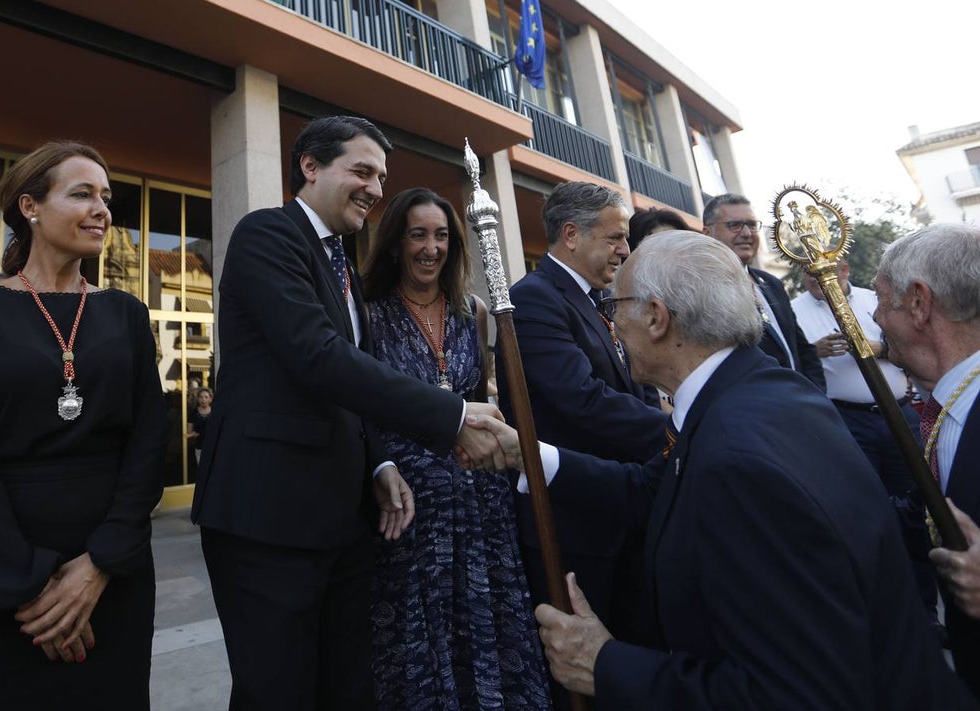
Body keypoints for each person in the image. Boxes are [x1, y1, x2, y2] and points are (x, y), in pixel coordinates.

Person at [470, 231, 972, 708]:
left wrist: (605, 664)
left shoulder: (737, 460)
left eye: (614, 306)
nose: (610, 323)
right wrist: (528, 455)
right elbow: (653, 488)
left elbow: (792, 694)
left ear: (656, 318)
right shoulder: (761, 391)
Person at [190, 116, 505, 711]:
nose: (375, 188)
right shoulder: (268, 235)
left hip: (342, 520)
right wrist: (452, 414)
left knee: (347, 690)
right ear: (310, 166)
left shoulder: (341, 265)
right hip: (268, 516)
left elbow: (348, 386)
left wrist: (379, 463)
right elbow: (319, 357)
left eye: (380, 176)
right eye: (361, 171)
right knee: (277, 693)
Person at [0, 141, 167, 710]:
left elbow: (149, 443)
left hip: (111, 566)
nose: (102, 208)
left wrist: (100, 563)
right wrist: (29, 586)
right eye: (82, 193)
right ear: (29, 206)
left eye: (106, 196)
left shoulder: (126, 313)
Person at [361, 187, 550, 710]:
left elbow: (479, 396)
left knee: (490, 625)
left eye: (441, 235)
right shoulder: (370, 316)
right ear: (397, 243)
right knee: (421, 637)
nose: (431, 247)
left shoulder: (475, 313)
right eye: (418, 234)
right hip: (414, 510)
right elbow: (364, 411)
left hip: (481, 503)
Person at [496, 182, 666, 710]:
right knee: (580, 678)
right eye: (616, 237)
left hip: (624, 510)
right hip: (573, 523)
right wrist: (674, 432)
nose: (625, 249)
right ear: (571, 235)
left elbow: (632, 385)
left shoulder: (599, 301)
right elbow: (582, 399)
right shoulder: (533, 300)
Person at [790, 259, 939, 626]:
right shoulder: (793, 311)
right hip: (845, 420)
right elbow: (790, 363)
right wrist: (815, 352)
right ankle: (885, 615)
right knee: (865, 513)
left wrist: (875, 347)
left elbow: (915, 346)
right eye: (806, 271)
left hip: (897, 415)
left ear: (842, 268)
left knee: (917, 511)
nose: (814, 278)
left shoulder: (880, 301)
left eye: (820, 269)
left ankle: (926, 614)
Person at [872, 223, 980, 696]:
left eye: (881, 298)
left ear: (918, 303)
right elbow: (926, 519)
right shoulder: (946, 408)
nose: (873, 316)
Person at [702, 193, 825, 390]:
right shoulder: (701, 290)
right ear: (708, 234)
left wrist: (816, 395)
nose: (746, 233)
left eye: (751, 224)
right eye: (734, 225)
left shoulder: (771, 283)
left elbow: (802, 348)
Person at [187, 386, 213, 466]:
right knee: (201, 469)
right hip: (199, 446)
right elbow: (189, 431)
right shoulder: (194, 413)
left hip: (212, 446)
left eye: (206, 397)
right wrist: (193, 434)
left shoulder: (215, 412)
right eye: (201, 397)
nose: (203, 399)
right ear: (198, 399)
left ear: (210, 399)